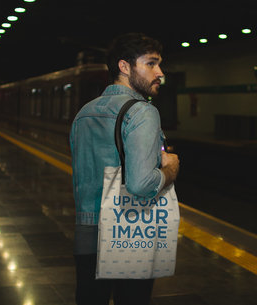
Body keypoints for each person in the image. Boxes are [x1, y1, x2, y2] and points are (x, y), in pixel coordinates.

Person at [69, 32, 180, 305]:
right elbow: (141, 184)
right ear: (124, 66)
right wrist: (170, 170)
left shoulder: (84, 113)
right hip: (128, 232)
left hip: (86, 233)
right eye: (151, 63)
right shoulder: (142, 112)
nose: (160, 72)